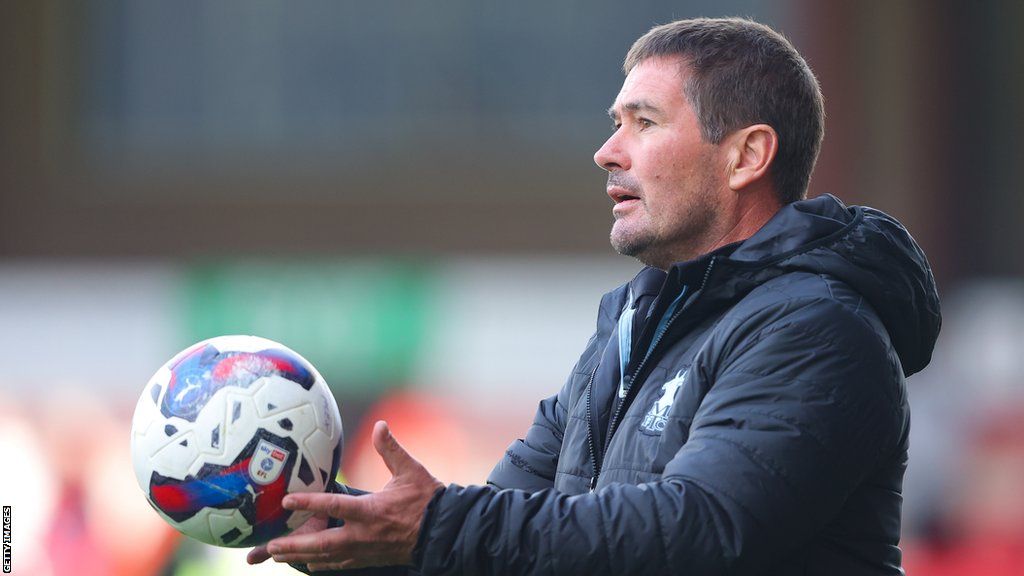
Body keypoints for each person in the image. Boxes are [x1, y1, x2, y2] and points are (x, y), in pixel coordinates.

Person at [248, 17, 941, 575]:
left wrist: (433, 526)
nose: (607, 151)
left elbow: (698, 530)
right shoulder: (630, 326)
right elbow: (509, 527)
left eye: (643, 123)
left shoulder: (817, 327)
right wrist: (350, 527)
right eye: (616, 122)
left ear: (746, 157)